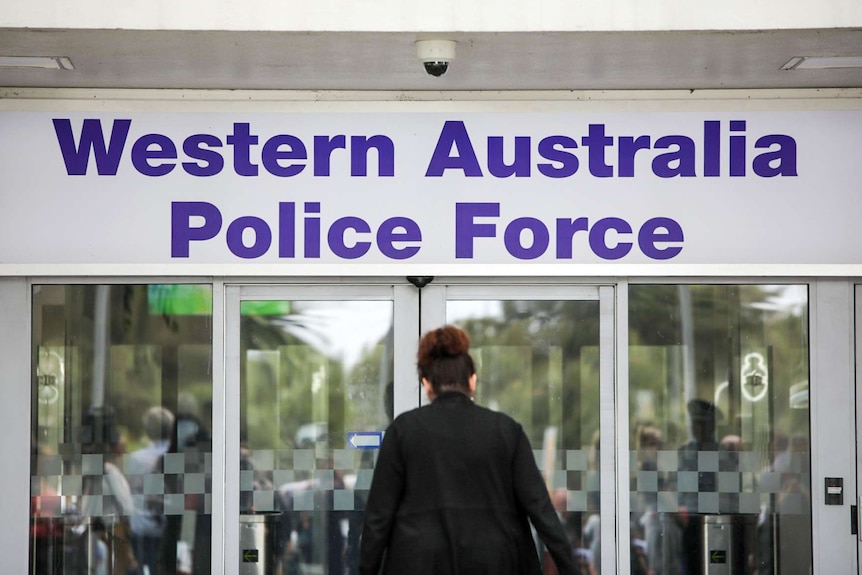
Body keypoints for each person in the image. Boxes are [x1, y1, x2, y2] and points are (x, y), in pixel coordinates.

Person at [359, 325, 578, 575]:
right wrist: (570, 569)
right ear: (472, 381)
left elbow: (378, 518)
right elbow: (541, 510)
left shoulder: (403, 431)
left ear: (427, 383)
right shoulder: (506, 431)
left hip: (418, 563)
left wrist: (367, 569)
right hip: (496, 563)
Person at [127, 406, 175, 575]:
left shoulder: (136, 459)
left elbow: (130, 490)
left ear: (147, 430)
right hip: (169, 525)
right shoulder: (176, 457)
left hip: (141, 524)